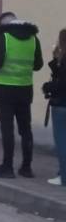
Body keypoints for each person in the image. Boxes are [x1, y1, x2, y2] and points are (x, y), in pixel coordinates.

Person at [0, 12, 43, 179]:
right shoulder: (33, 39)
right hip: (25, 90)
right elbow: (38, 65)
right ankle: (26, 167)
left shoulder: (4, 38)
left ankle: (7, 167)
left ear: (4, 24)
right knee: (25, 129)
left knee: (7, 129)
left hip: (5, 91)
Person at [43, 29, 66, 186]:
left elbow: (61, 83)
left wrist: (48, 86)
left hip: (62, 105)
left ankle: (64, 177)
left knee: (62, 143)